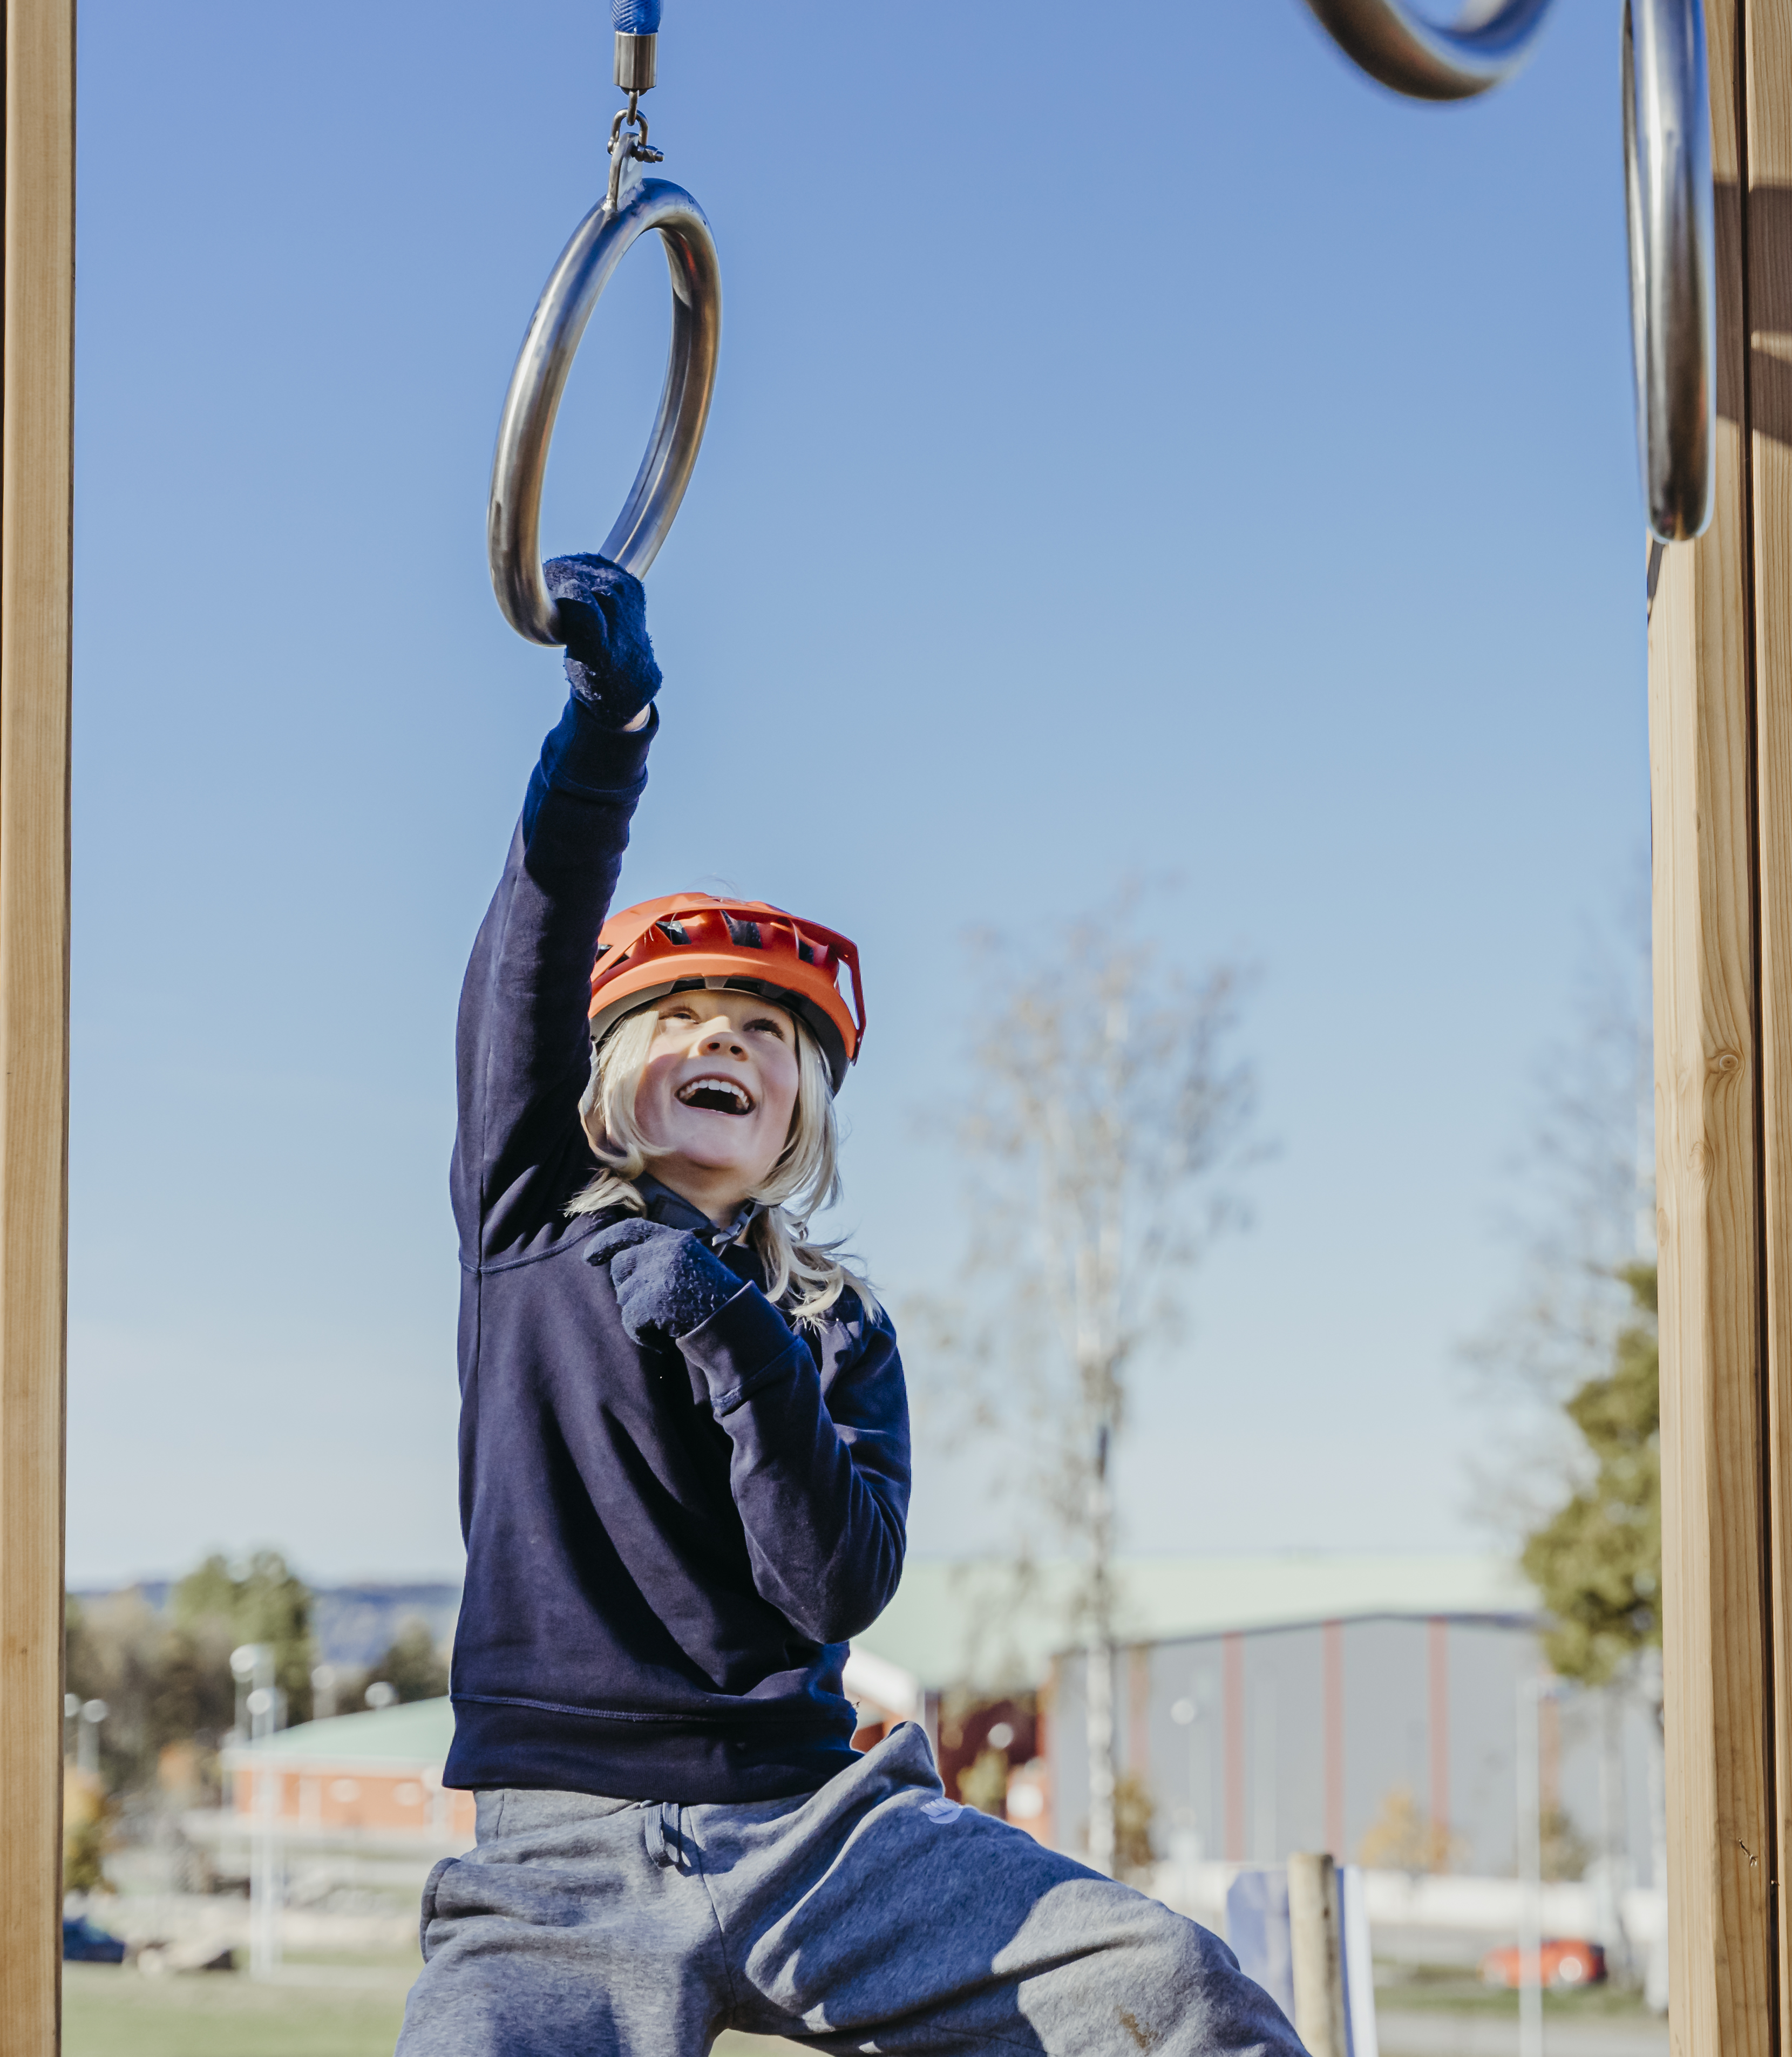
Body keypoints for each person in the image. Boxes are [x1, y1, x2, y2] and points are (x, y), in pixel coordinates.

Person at [398, 555, 1299, 2056]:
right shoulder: (526, 1216)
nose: (721, 1041)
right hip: (555, 1860)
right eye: (679, 1017)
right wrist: (607, 728)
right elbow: (537, 933)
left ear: (795, 1115)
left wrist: (730, 1325)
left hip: (821, 1835)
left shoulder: (834, 1326)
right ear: (605, 1072)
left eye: (763, 1032)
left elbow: (833, 1586)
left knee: (1173, 1991)